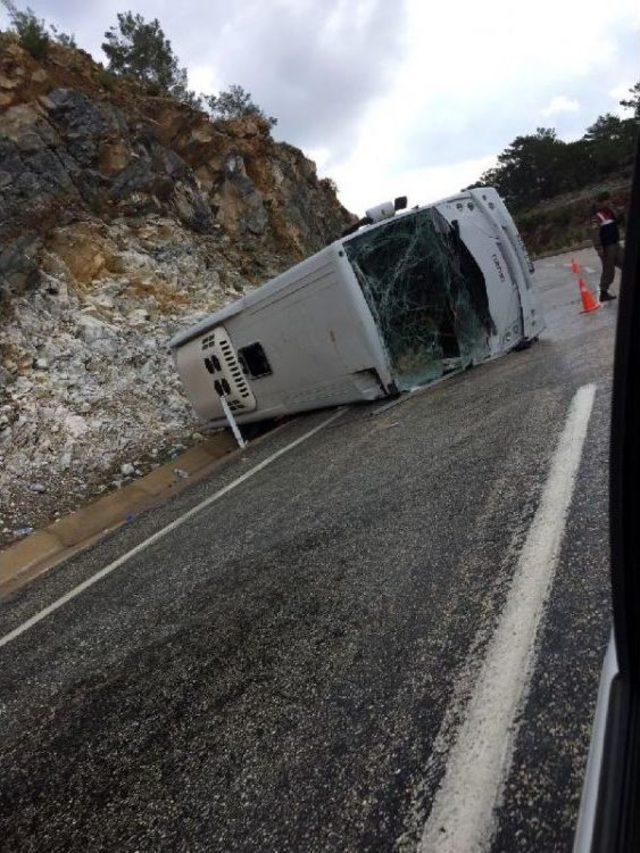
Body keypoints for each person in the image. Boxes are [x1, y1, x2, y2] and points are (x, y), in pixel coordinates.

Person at [591, 192, 624, 302]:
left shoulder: (611, 212)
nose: (608, 202)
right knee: (609, 271)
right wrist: (599, 248)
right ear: (601, 202)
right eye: (606, 200)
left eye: (608, 200)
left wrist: (614, 207)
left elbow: (620, 218)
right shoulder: (596, 217)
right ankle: (603, 293)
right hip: (606, 248)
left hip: (616, 244)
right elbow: (595, 234)